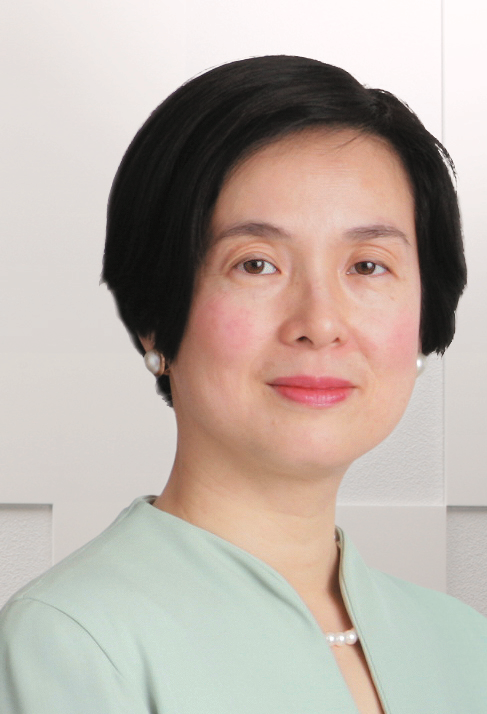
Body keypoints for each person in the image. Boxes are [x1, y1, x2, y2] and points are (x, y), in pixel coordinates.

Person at [1, 55, 486, 714]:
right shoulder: (70, 644)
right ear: (154, 317)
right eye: (256, 264)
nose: (320, 323)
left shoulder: (464, 645)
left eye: (367, 266)